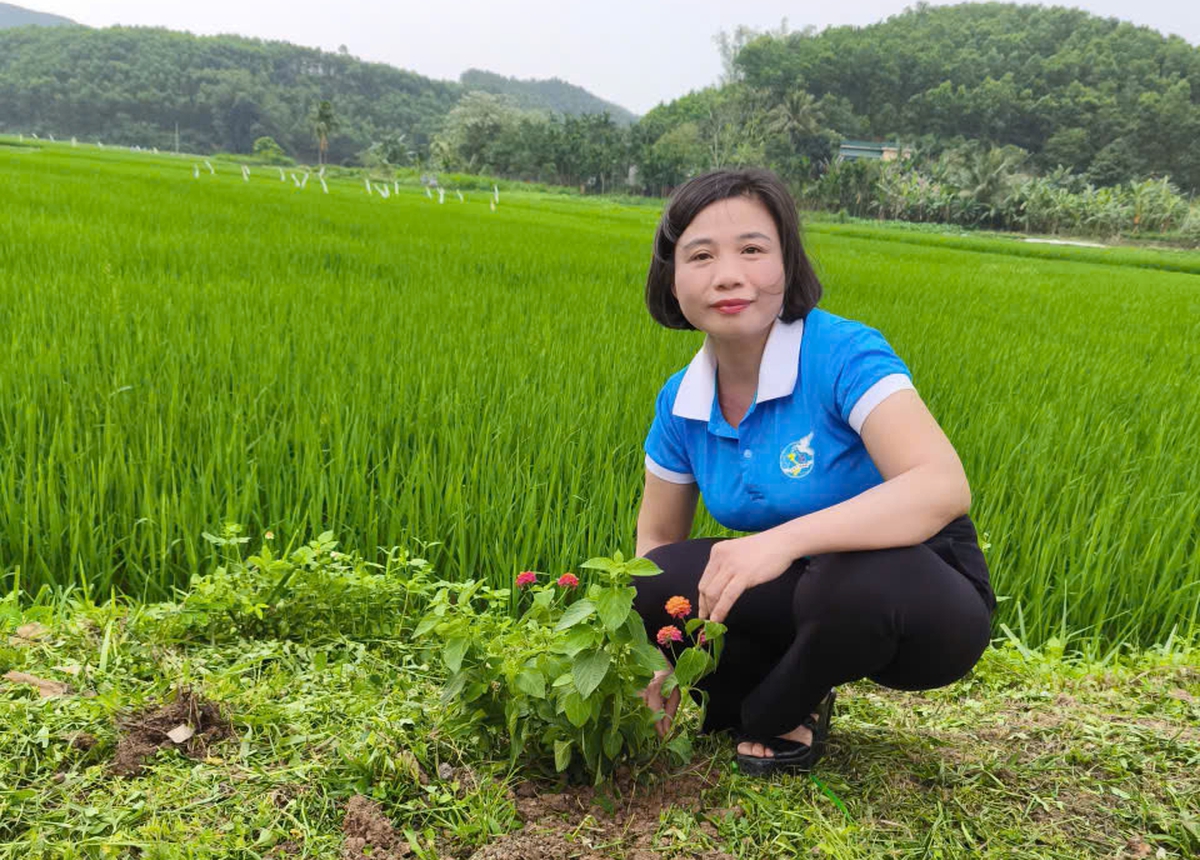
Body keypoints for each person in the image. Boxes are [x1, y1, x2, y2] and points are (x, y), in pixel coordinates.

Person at [631, 167, 995, 777]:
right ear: (671, 280)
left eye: (752, 249)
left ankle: (784, 706)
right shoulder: (681, 400)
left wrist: (779, 542)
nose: (728, 274)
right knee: (652, 581)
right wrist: (658, 648)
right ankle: (789, 675)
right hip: (800, 582)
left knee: (841, 594)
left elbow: (941, 485)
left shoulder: (842, 353)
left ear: (787, 263)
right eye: (700, 255)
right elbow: (658, 547)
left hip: (921, 587)